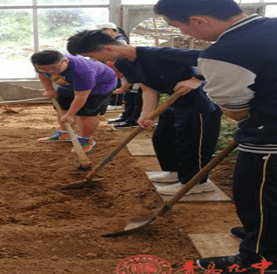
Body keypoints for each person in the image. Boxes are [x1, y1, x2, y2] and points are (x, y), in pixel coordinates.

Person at [154, 0, 277, 274]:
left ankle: (267, 258)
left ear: (198, 20)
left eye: (179, 25)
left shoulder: (223, 53)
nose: (185, 32)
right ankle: (270, 236)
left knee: (258, 196)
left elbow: (236, 111)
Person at [66, 30, 222, 194]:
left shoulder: (158, 54)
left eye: (92, 56)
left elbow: (216, 59)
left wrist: (196, 79)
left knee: (191, 144)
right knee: (162, 138)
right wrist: (145, 114)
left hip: (200, 104)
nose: (95, 60)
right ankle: (175, 173)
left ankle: (196, 183)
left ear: (107, 49)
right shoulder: (123, 63)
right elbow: (148, 88)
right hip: (175, 103)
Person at [32, 50, 116, 153]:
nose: (50, 72)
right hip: (68, 84)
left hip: (99, 86)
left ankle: (86, 139)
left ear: (65, 61)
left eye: (53, 68)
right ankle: (66, 133)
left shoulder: (83, 71)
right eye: (44, 69)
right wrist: (49, 89)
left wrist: (71, 114)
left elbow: (80, 96)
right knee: (63, 108)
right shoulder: (42, 65)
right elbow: (42, 75)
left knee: (86, 114)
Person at [94, 22, 144, 130]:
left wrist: (122, 88)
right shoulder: (116, 61)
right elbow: (124, 75)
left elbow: (130, 76)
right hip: (129, 73)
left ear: (108, 30)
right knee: (130, 97)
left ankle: (134, 119)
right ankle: (127, 116)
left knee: (136, 97)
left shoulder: (120, 41)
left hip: (138, 74)